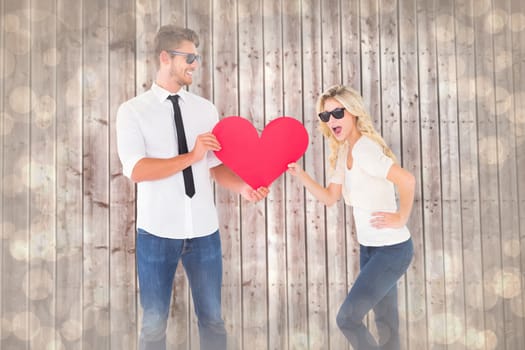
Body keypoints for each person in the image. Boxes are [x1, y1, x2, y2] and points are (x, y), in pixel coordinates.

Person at [116, 25, 269, 350]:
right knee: (154, 324)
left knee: (213, 320)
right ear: (165, 57)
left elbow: (213, 166)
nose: (194, 65)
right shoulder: (132, 112)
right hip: (157, 234)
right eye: (189, 58)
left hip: (204, 233)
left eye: (196, 58)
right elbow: (137, 170)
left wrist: (243, 188)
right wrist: (191, 156)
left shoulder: (205, 109)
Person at [288, 85, 415, 350]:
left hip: (391, 250)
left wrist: (401, 216)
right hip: (370, 249)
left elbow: (406, 179)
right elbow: (329, 197)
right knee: (386, 323)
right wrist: (300, 175)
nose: (332, 120)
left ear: (353, 112)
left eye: (337, 112)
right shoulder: (346, 151)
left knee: (347, 318)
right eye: (326, 116)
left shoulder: (364, 149)